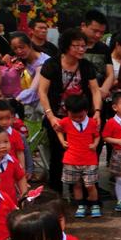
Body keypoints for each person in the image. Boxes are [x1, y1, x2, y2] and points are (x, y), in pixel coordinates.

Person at [35, 28, 102, 191]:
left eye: (83, 46)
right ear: (66, 46)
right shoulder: (52, 64)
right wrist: (51, 116)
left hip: (81, 117)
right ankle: (56, 191)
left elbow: (95, 90)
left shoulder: (86, 66)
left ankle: (83, 190)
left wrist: (97, 112)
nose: (81, 49)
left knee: (85, 153)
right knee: (58, 153)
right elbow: (42, 91)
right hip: (58, 116)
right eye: (76, 46)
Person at [56, 95, 101, 218]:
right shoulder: (65, 121)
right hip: (71, 159)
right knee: (76, 185)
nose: (77, 119)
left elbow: (97, 135)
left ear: (86, 111)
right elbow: (58, 130)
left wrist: (95, 144)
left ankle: (94, 204)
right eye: (73, 116)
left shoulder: (92, 122)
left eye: (80, 116)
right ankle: (81, 205)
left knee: (90, 184)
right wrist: (62, 141)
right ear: (67, 112)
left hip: (89, 159)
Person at [7, 32, 50, 99]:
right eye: (15, 49)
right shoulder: (18, 61)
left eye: (21, 47)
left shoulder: (45, 62)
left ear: (30, 45)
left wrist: (17, 100)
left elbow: (32, 91)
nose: (19, 51)